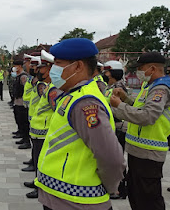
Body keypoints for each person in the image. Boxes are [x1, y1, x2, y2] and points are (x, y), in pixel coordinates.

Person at [35, 38, 125, 210]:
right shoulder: (72, 95)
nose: (53, 70)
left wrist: (107, 187)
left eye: (58, 64)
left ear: (77, 66)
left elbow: (112, 159)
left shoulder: (85, 104)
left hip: (76, 201)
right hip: (63, 197)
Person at [110, 52, 170, 210]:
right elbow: (140, 108)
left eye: (141, 69)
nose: (138, 73)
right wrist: (125, 99)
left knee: (149, 200)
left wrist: (119, 106)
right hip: (137, 151)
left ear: (152, 68)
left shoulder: (161, 89)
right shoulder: (149, 86)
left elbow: (147, 116)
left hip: (150, 153)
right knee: (136, 196)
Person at [24, 50, 62, 198]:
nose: (38, 71)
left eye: (41, 68)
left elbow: (56, 111)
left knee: (42, 162)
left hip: (45, 132)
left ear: (50, 69)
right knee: (38, 159)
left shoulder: (53, 90)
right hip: (38, 131)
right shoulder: (47, 87)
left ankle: (41, 188)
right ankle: (37, 182)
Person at [102, 60, 129, 200]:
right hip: (113, 126)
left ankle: (121, 189)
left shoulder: (118, 88)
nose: (104, 74)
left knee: (118, 157)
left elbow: (117, 108)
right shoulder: (110, 86)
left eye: (106, 71)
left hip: (119, 126)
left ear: (113, 73)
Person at [12, 60, 31, 149]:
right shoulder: (18, 76)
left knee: (24, 122)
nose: (14, 68)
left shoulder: (23, 76)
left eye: (15, 65)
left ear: (19, 66)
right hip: (17, 101)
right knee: (19, 119)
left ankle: (26, 140)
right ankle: (23, 136)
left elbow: (26, 90)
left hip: (22, 102)